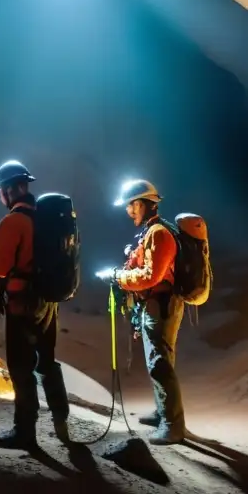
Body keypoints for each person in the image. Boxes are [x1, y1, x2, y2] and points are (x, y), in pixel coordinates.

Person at [0, 160, 70, 449]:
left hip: (23, 303)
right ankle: (61, 417)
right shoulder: (44, 219)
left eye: (0, 190)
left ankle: (25, 431)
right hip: (48, 300)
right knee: (46, 360)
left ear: (9, 190)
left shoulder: (13, 221)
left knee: (20, 365)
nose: (0, 196)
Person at [109, 179, 186, 445]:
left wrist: (121, 277)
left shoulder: (159, 234)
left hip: (162, 304)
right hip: (156, 304)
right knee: (159, 360)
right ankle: (162, 412)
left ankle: (173, 426)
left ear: (141, 203)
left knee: (160, 363)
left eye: (130, 206)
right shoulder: (151, 232)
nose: (129, 212)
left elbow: (151, 276)